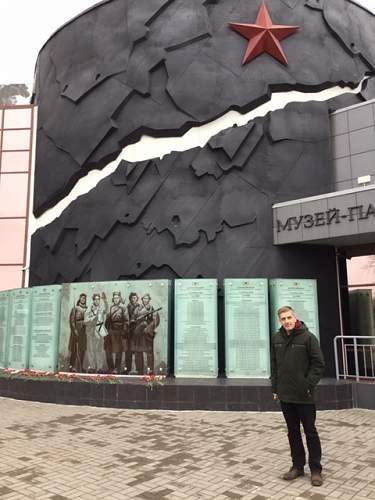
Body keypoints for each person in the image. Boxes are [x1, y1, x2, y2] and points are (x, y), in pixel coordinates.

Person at [271, 305, 325, 487]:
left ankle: (316, 470)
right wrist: (275, 387)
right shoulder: (277, 338)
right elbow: (275, 365)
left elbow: (318, 364)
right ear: (280, 321)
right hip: (285, 395)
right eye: (283, 319)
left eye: (289, 318)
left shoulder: (308, 338)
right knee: (292, 432)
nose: (286, 321)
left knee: (310, 432)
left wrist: (307, 384)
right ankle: (297, 466)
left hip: (304, 396)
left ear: (295, 318)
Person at [84, 292, 108, 373]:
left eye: (98, 299)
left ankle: (99, 368)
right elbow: (85, 321)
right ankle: (92, 367)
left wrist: (105, 301)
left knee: (99, 350)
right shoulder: (89, 309)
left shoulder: (101, 308)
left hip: (99, 330)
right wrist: (94, 316)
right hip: (90, 330)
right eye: (96, 299)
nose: (97, 301)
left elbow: (106, 310)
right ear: (93, 300)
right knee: (91, 350)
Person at [105, 291, 128, 373]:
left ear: (120, 298)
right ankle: (110, 368)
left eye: (117, 298)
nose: (116, 299)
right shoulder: (111, 308)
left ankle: (116, 368)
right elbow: (108, 319)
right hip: (111, 330)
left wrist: (124, 331)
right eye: (114, 298)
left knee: (119, 350)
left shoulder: (123, 308)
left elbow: (126, 320)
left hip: (119, 330)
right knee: (108, 349)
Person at [137, 293, 160, 373]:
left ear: (149, 299)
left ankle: (150, 370)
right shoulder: (138, 309)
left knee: (149, 352)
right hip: (139, 333)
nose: (145, 300)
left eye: (147, 298)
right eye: (144, 298)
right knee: (139, 351)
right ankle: (139, 370)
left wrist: (148, 328)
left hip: (147, 333)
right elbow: (134, 319)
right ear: (142, 299)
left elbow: (156, 322)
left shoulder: (152, 309)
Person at [68, 293, 87, 371]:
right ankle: (72, 366)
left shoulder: (87, 309)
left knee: (82, 350)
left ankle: (80, 366)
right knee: (74, 350)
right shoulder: (75, 308)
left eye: (84, 298)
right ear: (80, 298)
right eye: (82, 298)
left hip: (84, 331)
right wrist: (74, 330)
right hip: (76, 331)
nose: (83, 299)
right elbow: (72, 320)